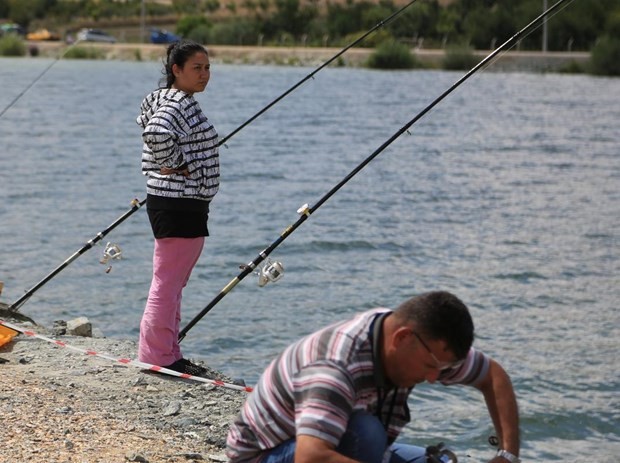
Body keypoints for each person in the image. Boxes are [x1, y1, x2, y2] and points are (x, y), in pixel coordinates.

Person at [226, 291, 521, 463]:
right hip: (266, 453)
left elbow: (493, 376)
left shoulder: (419, 344)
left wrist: (508, 456)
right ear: (403, 338)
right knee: (367, 433)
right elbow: (311, 456)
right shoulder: (336, 363)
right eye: (432, 367)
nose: (434, 378)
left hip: (326, 441)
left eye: (443, 370)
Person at [136, 40, 219, 377]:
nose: (205, 74)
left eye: (208, 67)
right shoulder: (179, 103)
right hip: (179, 202)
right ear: (176, 70)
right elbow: (155, 131)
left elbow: (146, 119)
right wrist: (179, 162)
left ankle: (168, 352)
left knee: (171, 282)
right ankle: (155, 354)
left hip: (176, 201)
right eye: (197, 68)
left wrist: (178, 162)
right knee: (167, 283)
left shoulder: (162, 98)